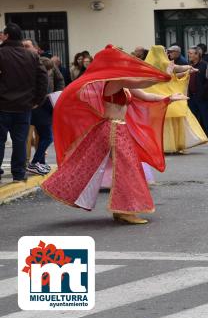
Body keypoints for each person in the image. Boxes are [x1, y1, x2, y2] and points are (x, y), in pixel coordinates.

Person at [41, 46, 188, 223]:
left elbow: (146, 95)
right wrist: (165, 74)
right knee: (127, 168)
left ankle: (121, 209)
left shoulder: (123, 85)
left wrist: (169, 98)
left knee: (91, 163)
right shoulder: (114, 82)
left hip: (117, 128)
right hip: (113, 128)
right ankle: (125, 210)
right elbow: (143, 83)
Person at [0, 23, 48, 182]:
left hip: (2, 106)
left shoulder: (1, 53)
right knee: (20, 141)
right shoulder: (32, 55)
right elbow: (43, 79)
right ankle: (19, 174)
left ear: (6, 36)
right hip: (24, 107)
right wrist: (37, 100)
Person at [144, 46, 208, 153]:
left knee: (160, 121)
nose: (166, 53)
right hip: (167, 94)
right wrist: (189, 68)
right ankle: (172, 144)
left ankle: (159, 145)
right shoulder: (165, 63)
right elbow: (178, 68)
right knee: (176, 116)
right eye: (164, 51)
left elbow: (172, 76)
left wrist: (186, 72)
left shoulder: (149, 65)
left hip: (155, 95)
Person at [27, 57, 65, 175]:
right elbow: (41, 95)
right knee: (48, 137)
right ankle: (34, 163)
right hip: (42, 111)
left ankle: (40, 162)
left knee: (43, 136)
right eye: (48, 70)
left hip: (39, 110)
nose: (49, 73)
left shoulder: (34, 77)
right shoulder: (40, 79)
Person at [187, 46, 208, 137]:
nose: (188, 55)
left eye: (190, 53)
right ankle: (196, 134)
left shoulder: (205, 65)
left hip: (202, 95)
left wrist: (203, 91)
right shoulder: (188, 65)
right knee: (193, 116)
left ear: (197, 55)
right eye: (189, 53)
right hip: (191, 95)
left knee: (205, 115)